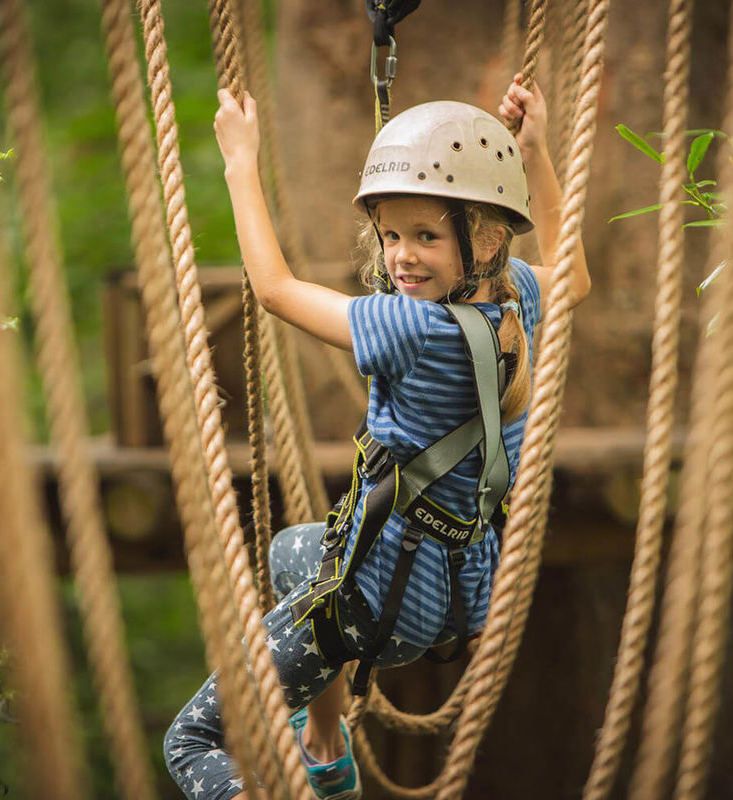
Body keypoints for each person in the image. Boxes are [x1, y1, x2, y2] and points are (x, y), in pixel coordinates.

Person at [164, 74, 590, 800]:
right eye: (391, 234)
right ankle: (326, 746)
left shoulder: (409, 328)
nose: (401, 257)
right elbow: (575, 272)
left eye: (425, 235)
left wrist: (240, 161)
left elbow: (274, 289)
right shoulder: (517, 298)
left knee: (192, 742)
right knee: (293, 551)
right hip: (462, 595)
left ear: (483, 238)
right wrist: (536, 152)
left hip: (376, 603)